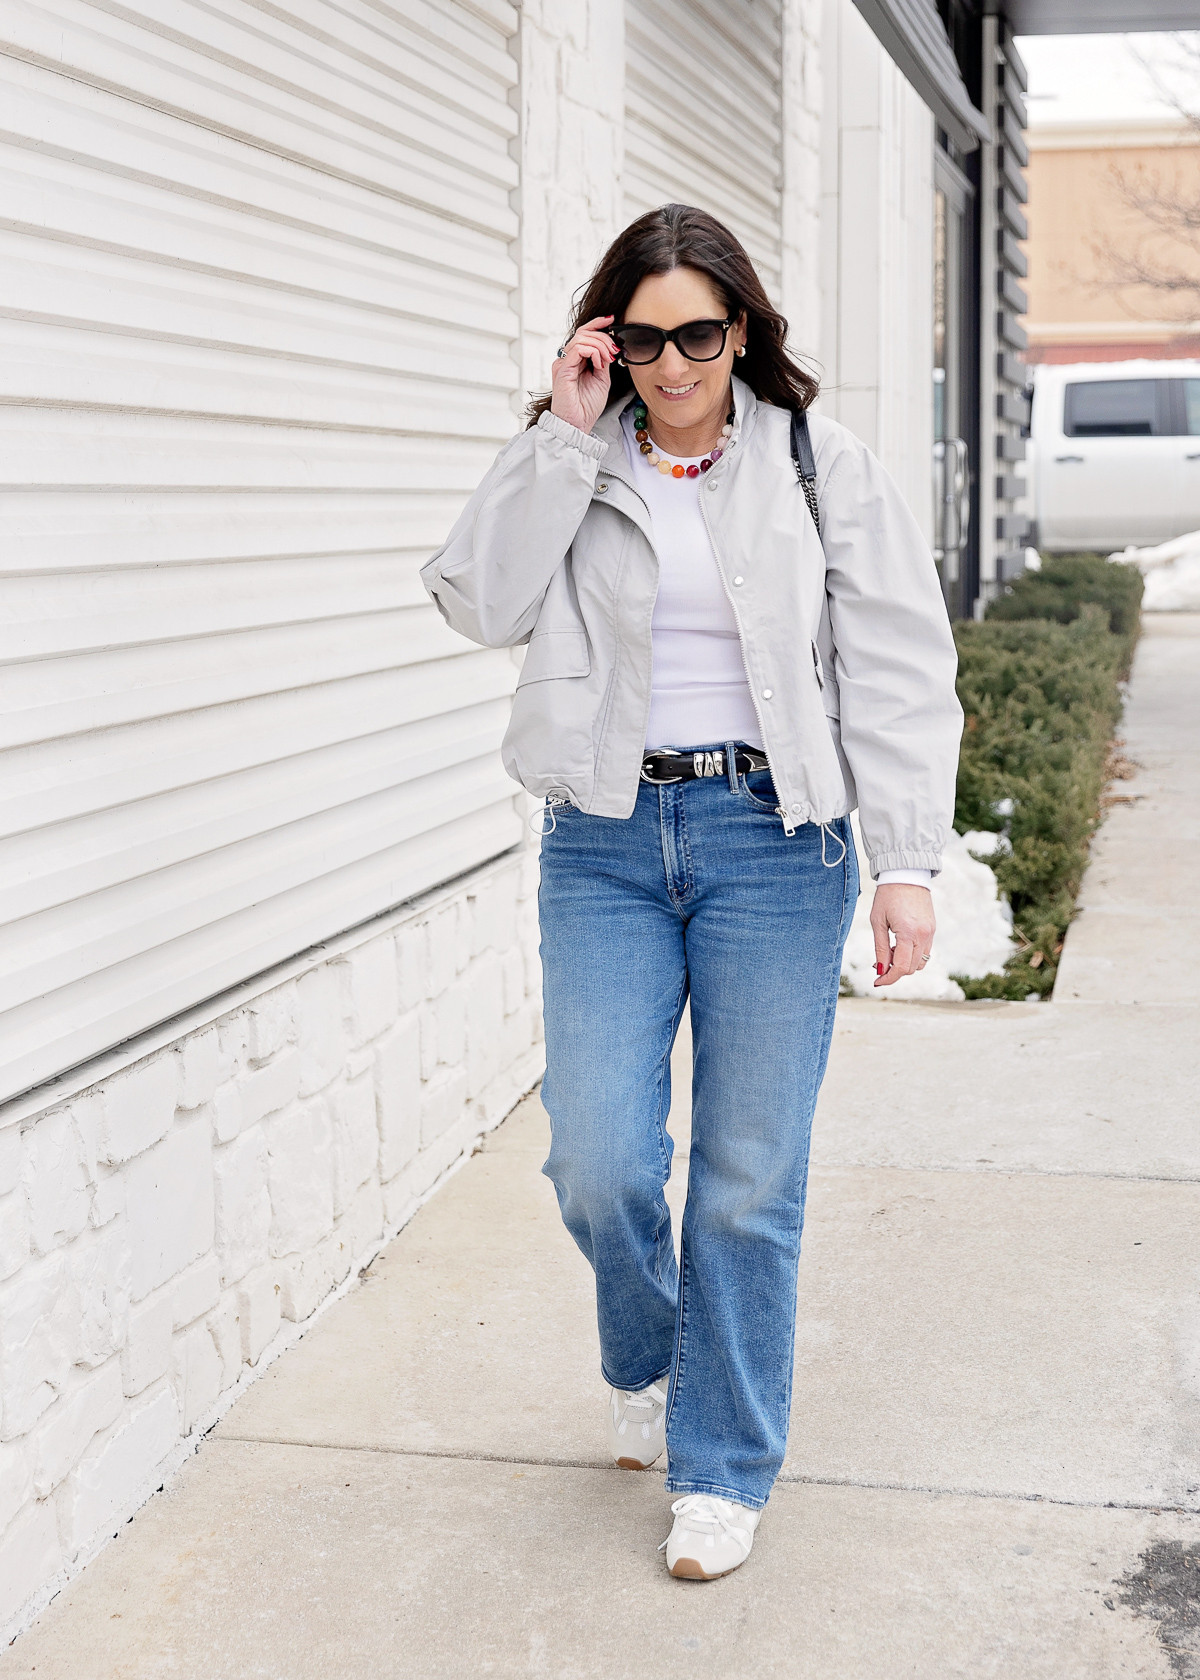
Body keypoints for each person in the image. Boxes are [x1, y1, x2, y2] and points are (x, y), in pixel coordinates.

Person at [423, 204, 962, 1579]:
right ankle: (646, 1349)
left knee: (744, 1179)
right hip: (603, 840)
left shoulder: (816, 466)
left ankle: (722, 1465)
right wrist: (557, 428)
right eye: (646, 338)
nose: (673, 367)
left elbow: (899, 663)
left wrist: (906, 863)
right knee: (598, 1159)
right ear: (609, 338)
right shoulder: (573, 460)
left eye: (700, 336)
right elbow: (477, 601)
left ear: (743, 332)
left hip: (777, 845)